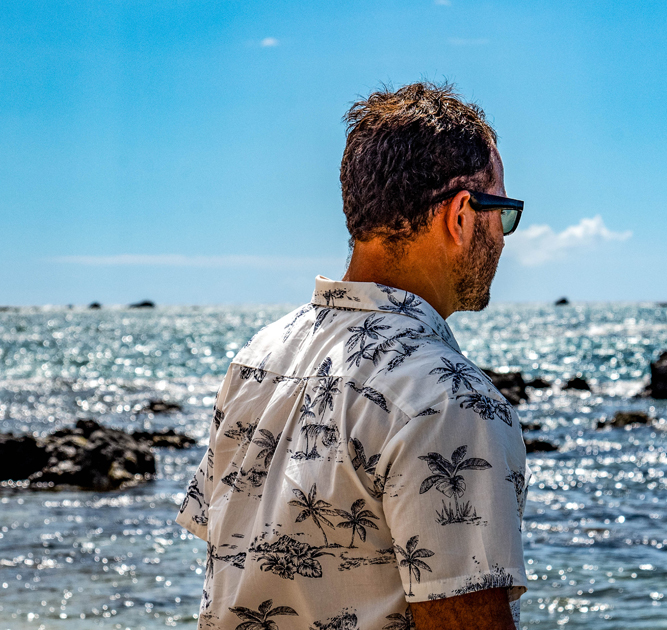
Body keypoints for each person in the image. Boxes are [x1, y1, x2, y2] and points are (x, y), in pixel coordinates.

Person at [177, 82, 528, 630]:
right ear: (461, 215)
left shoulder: (258, 359)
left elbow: (229, 560)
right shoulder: (447, 400)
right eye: (503, 213)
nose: (504, 238)